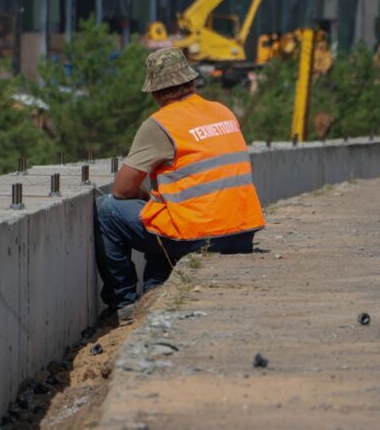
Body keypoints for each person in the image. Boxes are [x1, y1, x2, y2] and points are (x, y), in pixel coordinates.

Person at [95, 48, 265, 318]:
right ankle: (155, 286)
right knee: (162, 210)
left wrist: (146, 196)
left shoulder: (160, 124)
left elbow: (121, 190)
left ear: (155, 93)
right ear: (192, 82)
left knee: (107, 210)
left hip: (199, 238)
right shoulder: (223, 112)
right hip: (242, 233)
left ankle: (122, 302)